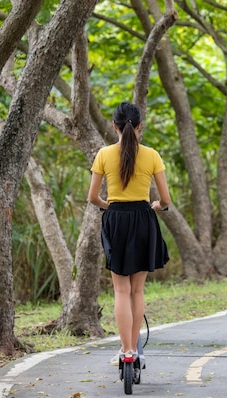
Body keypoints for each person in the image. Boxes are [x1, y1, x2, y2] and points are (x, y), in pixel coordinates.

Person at [88, 101, 171, 365]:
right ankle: (134, 351)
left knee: (121, 291)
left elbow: (92, 197)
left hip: (116, 220)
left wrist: (108, 206)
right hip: (144, 220)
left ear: (114, 126)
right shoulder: (152, 155)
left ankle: (124, 350)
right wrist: (157, 206)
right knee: (137, 291)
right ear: (139, 127)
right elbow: (165, 200)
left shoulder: (103, 154)